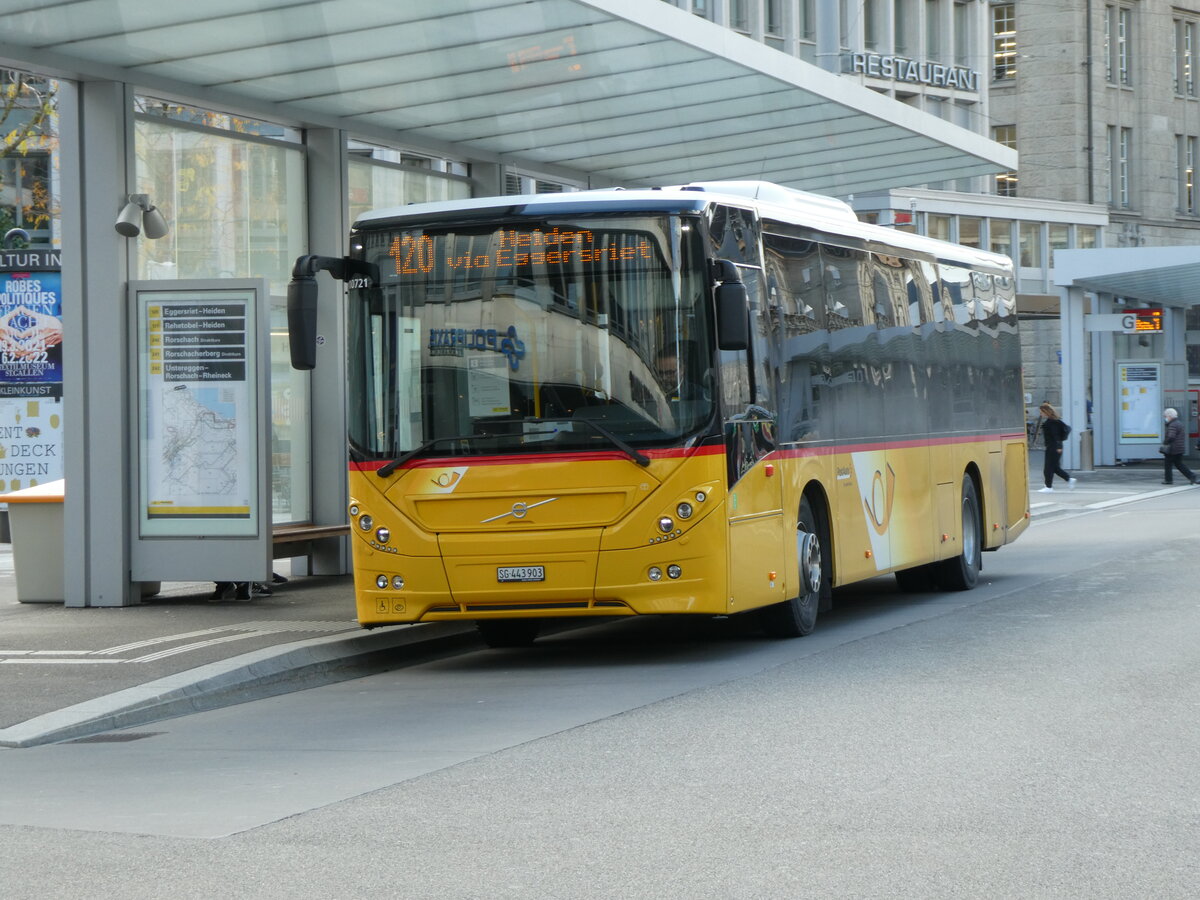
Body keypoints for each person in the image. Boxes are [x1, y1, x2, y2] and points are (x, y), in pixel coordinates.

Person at [1037, 402, 1076, 493]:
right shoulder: (1054, 421)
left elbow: (1056, 435)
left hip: (1053, 447)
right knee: (1055, 467)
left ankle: (1048, 487)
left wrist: (1058, 446)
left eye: (1041, 412)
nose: (1040, 414)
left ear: (1046, 412)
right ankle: (1069, 479)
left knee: (1048, 468)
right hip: (1054, 446)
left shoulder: (1052, 422)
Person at [1160, 408, 1198, 485]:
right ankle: (1191, 476)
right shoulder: (1178, 423)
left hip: (1172, 449)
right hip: (1179, 448)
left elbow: (1171, 436)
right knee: (1179, 464)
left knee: (1168, 464)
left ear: (1169, 416)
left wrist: (1165, 442)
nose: (1165, 418)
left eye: (1165, 416)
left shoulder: (1172, 424)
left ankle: (1169, 480)